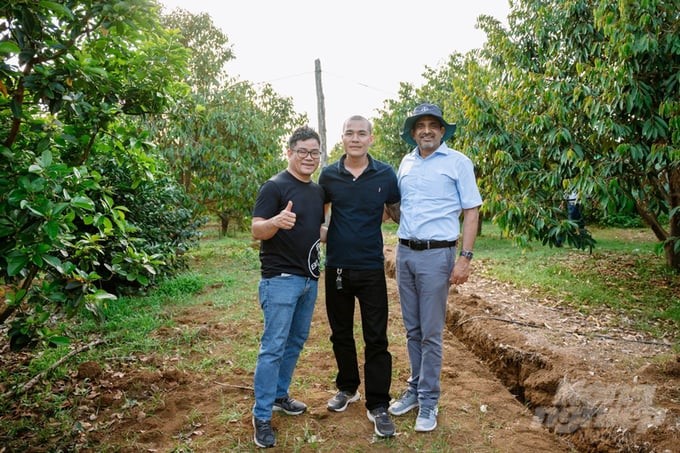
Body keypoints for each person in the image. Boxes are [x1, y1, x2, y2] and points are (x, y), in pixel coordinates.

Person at [389, 103, 482, 432]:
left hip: (436, 256)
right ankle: (414, 390)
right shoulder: (406, 162)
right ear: (412, 132)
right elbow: (401, 208)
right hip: (405, 254)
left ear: (442, 131)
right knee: (412, 330)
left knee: (431, 333)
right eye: (420, 125)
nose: (426, 130)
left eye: (433, 125)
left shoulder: (458, 162)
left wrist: (465, 258)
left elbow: (471, 211)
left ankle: (429, 401)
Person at [318, 115, 400, 438]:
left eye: (361, 133)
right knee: (340, 332)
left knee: (376, 337)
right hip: (336, 266)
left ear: (371, 138)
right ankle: (348, 387)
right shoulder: (328, 176)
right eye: (349, 133)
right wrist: (326, 233)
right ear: (342, 138)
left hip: (370, 268)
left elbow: (397, 213)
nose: (355, 138)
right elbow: (318, 215)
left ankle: (378, 403)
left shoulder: (385, 174)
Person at [250, 126, 326, 448]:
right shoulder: (275, 186)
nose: (309, 158)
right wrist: (275, 222)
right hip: (280, 280)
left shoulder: (318, 191)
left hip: (309, 280)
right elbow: (257, 230)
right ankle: (262, 415)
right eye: (303, 152)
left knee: (295, 341)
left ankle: (280, 396)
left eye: (314, 153)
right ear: (290, 153)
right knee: (273, 347)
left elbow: (316, 229)